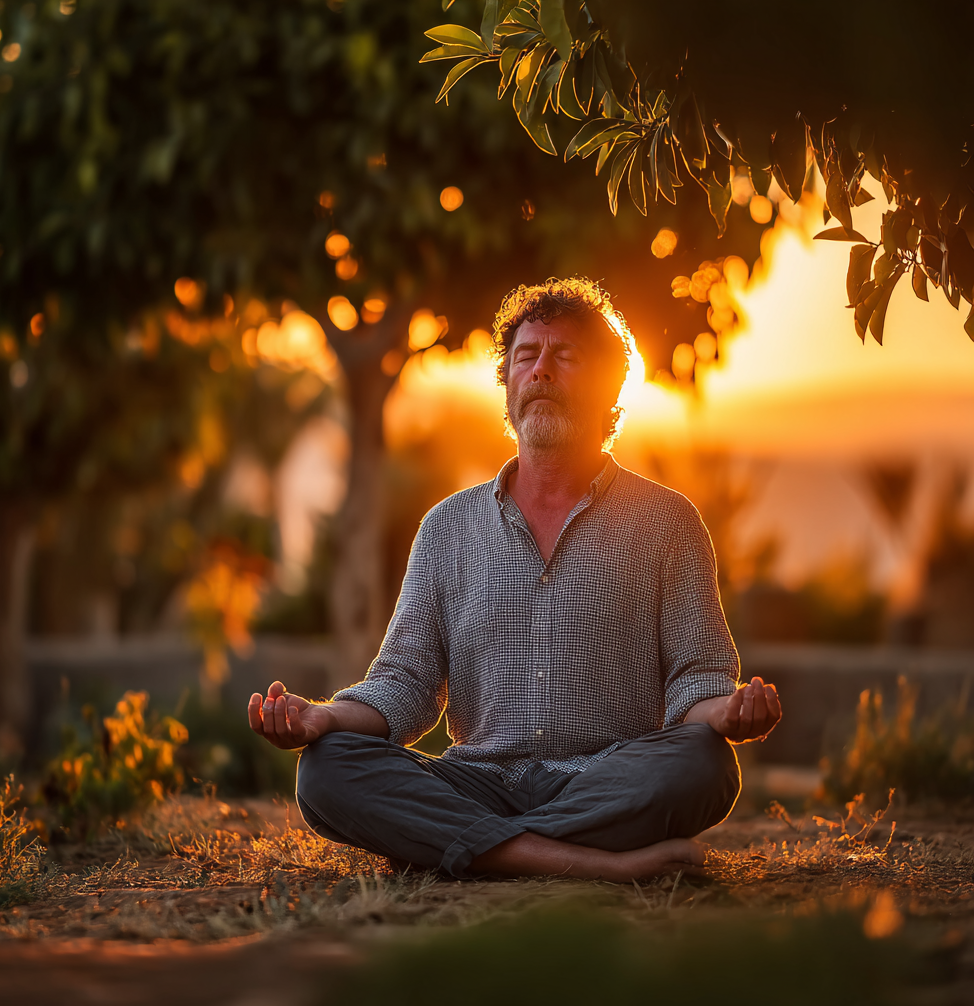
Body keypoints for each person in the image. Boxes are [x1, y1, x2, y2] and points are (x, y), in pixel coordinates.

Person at [248, 277, 781, 883]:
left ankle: (468, 850)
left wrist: (731, 713)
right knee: (326, 769)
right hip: (479, 781)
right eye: (526, 357)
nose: (541, 371)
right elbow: (405, 683)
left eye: (565, 356)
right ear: (507, 386)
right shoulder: (448, 527)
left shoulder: (668, 522)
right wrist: (322, 719)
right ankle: (590, 864)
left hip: (606, 778)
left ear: (610, 388)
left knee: (705, 765)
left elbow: (699, 680)